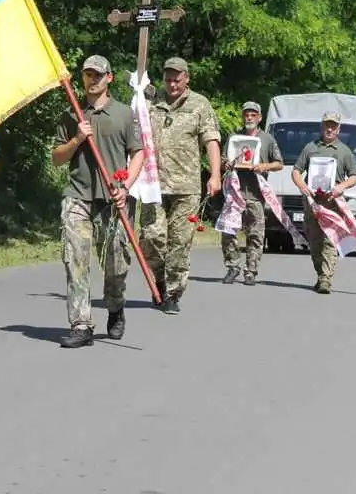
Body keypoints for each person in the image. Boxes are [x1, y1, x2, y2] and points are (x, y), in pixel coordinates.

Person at [51, 55, 144, 348]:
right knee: (76, 259)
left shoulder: (124, 114)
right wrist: (77, 139)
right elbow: (57, 158)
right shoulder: (73, 113)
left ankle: (115, 307)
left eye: (97, 75)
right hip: (78, 196)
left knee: (116, 264)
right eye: (87, 75)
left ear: (109, 78)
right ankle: (81, 324)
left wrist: (126, 186)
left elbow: (138, 153)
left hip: (113, 199)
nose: (92, 80)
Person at [140, 57, 222, 314]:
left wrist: (215, 175)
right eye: (168, 79)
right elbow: (135, 125)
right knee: (151, 237)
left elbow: (211, 140)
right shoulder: (151, 101)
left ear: (186, 78)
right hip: (154, 184)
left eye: (177, 79)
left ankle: (173, 293)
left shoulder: (200, 104)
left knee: (180, 242)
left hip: (186, 187)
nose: (172, 84)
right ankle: (160, 282)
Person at [290, 111, 356, 294]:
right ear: (322, 126)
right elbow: (296, 171)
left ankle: (325, 279)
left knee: (329, 240)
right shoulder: (310, 147)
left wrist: (341, 186)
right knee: (314, 241)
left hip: (332, 202)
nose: (330, 128)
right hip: (312, 202)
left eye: (333, 125)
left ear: (338, 128)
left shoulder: (344, 151)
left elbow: (355, 176)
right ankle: (320, 272)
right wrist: (302, 186)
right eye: (327, 125)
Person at [220, 101, 283, 286]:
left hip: (256, 195)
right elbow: (224, 160)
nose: (249, 117)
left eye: (253, 115)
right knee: (228, 232)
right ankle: (232, 267)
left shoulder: (267, 140)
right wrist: (227, 164)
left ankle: (251, 271)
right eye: (247, 114)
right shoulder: (234, 138)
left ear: (259, 118)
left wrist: (264, 166)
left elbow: (279, 163)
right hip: (235, 193)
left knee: (255, 235)